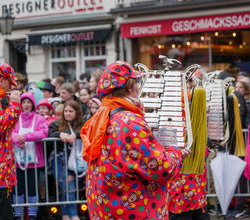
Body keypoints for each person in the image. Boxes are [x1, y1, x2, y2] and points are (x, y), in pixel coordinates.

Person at [80, 61, 189, 219]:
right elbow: (160, 166)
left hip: (105, 207)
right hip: (132, 209)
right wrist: (176, 154)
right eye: (137, 83)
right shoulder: (129, 122)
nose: (140, 88)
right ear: (130, 89)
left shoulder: (99, 116)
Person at [12, 92, 48, 220]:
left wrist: (25, 137)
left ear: (33, 104)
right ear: (20, 104)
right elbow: (11, 132)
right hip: (17, 161)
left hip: (35, 161)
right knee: (18, 187)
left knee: (33, 187)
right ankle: (17, 214)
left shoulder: (40, 119)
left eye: (28, 102)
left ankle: (32, 214)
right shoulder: (16, 118)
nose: (26, 105)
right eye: (24, 102)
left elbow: (43, 133)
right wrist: (17, 139)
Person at [48, 100, 85, 220]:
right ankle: (73, 215)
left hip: (75, 160)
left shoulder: (82, 124)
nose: (68, 113)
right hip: (59, 159)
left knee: (68, 187)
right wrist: (60, 134)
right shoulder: (56, 124)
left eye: (71, 111)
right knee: (67, 185)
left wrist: (76, 134)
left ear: (77, 112)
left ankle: (65, 215)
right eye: (66, 111)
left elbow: (87, 132)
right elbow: (48, 133)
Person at [0, 63, 21, 219]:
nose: (13, 86)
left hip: (4, 167)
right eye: (10, 82)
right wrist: (14, 105)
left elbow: (9, 126)